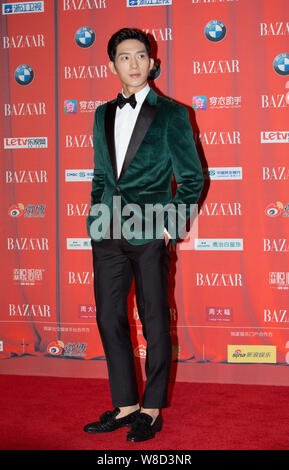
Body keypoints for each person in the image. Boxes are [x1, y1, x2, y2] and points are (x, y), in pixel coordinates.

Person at [84, 28, 204, 442]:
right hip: (108, 233)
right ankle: (126, 404)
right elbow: (101, 174)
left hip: (152, 230)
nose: (133, 64)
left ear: (152, 62)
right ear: (112, 63)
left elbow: (191, 179)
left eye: (140, 56)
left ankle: (150, 410)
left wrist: (170, 226)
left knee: (154, 320)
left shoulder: (172, 113)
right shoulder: (101, 114)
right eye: (124, 57)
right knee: (108, 318)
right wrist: (95, 218)